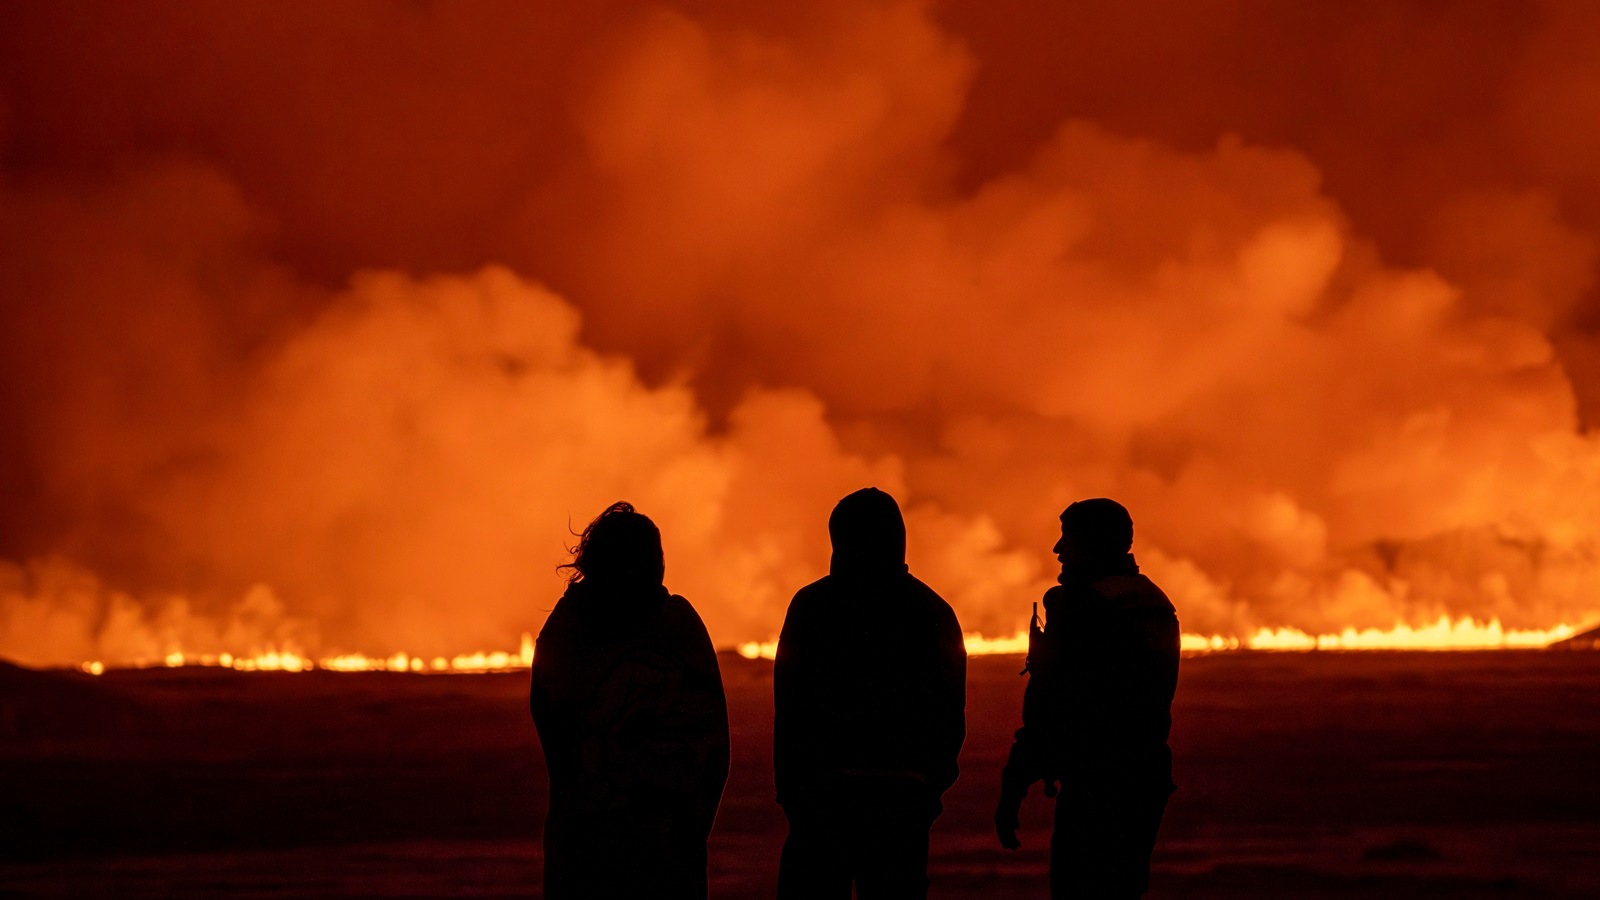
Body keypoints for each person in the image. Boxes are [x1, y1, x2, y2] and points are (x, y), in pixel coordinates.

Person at [529, 502, 730, 900]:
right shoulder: (676, 626)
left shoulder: (568, 628)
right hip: (653, 846)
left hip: (591, 842)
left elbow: (551, 726)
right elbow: (713, 743)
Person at [774, 487, 967, 899]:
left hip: (822, 803)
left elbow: (789, 708)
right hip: (901, 803)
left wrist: (794, 797)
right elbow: (950, 715)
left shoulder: (811, 606)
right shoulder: (932, 611)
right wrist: (926, 792)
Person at [994, 498, 1179, 899]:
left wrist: (1014, 787)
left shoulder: (1085, 606)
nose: (1058, 550)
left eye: (1068, 539)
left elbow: (1052, 705)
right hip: (1145, 780)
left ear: (1092, 543)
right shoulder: (1152, 601)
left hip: (1096, 785)